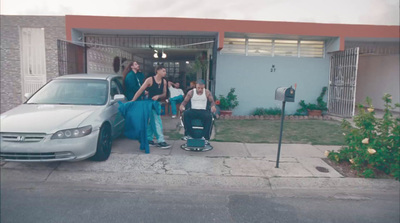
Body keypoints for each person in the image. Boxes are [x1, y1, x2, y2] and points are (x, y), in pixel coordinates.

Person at [131, 65, 171, 149]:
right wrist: (133, 101)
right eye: (163, 71)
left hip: (158, 103)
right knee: (157, 121)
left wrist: (158, 96)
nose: (165, 73)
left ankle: (148, 139)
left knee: (152, 122)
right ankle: (161, 140)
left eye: (165, 71)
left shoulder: (164, 82)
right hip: (149, 103)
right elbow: (140, 90)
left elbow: (164, 94)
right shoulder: (150, 80)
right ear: (158, 71)